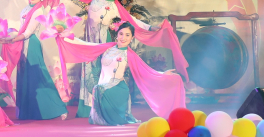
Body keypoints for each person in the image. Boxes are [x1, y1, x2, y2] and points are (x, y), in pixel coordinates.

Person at [56, 22, 187, 124]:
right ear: (117, 35)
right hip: (103, 86)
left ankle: (114, 117)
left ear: (132, 38)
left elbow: (145, 70)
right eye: (121, 34)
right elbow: (85, 45)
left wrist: (163, 74)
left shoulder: (130, 54)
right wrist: (65, 37)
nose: (123, 38)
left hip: (118, 88)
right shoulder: (108, 47)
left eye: (127, 35)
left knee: (98, 89)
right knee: (98, 88)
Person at [0, 0, 68, 120]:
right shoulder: (26, 8)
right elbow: (20, 30)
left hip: (31, 45)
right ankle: (28, 112)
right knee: (25, 79)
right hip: (22, 44)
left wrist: (11, 40)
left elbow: (27, 33)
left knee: (40, 77)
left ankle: (59, 108)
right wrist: (9, 37)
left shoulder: (38, 11)